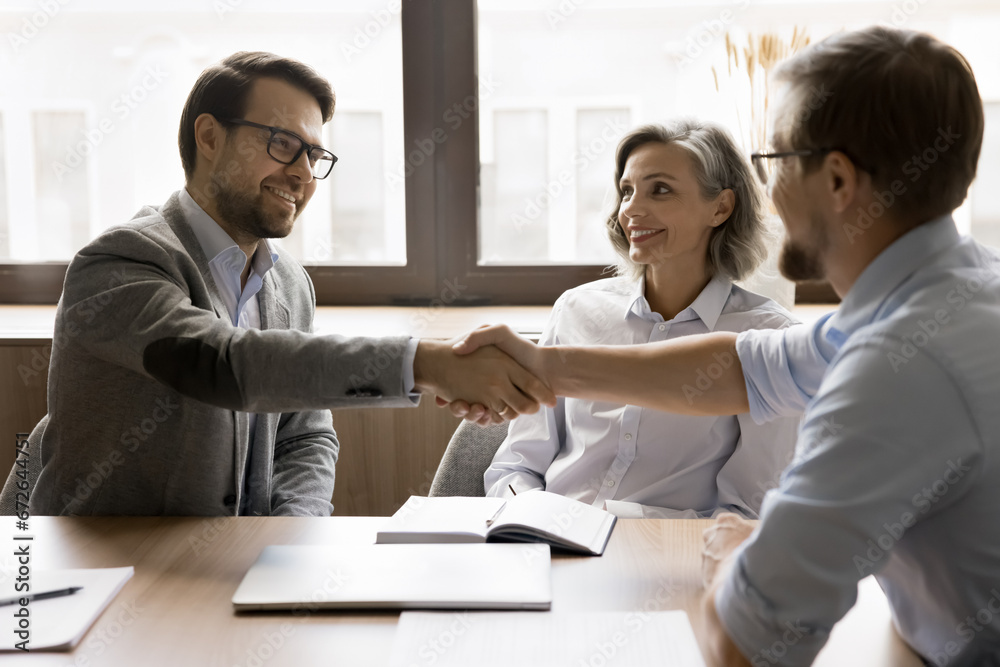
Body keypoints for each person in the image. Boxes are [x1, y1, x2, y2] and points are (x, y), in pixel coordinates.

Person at [450, 26, 1000, 665]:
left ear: (839, 181)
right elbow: (742, 365)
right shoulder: (944, 292)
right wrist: (546, 364)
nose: (768, 194)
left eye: (777, 163)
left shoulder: (896, 367)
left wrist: (730, 553)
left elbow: (749, 644)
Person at [29, 51, 552, 517]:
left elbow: (306, 437)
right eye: (283, 144)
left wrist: (292, 535)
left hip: (230, 576)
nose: (303, 173)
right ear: (210, 137)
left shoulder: (288, 283)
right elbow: (224, 363)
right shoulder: (120, 262)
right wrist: (428, 364)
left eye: (314, 155)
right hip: (105, 578)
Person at [484, 120, 799, 519]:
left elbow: (748, 512)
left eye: (660, 190)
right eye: (627, 190)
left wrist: (620, 530)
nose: (630, 209)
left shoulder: (767, 337)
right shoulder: (577, 310)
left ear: (720, 207)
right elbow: (517, 466)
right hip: (547, 545)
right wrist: (527, 519)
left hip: (671, 561)